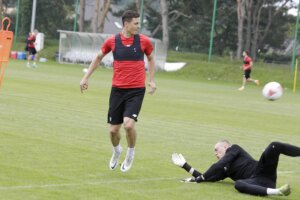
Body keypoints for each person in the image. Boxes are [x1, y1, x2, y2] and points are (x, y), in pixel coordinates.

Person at [80, 10, 156, 172]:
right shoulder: (112, 41)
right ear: (126, 24)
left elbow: (150, 58)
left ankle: (130, 153)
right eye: (135, 23)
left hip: (136, 90)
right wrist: (86, 78)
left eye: (138, 23)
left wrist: (151, 80)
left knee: (128, 125)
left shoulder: (144, 41)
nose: (138, 26)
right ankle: (117, 150)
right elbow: (98, 57)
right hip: (117, 91)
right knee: (113, 130)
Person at [172, 140, 300, 196]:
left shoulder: (235, 149)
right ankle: (277, 192)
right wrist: (185, 166)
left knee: (274, 146)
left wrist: (198, 179)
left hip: (263, 170)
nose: (215, 154)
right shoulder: (223, 169)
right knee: (238, 184)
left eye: (217, 150)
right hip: (257, 183)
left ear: (226, 146)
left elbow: (216, 166)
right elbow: (208, 177)